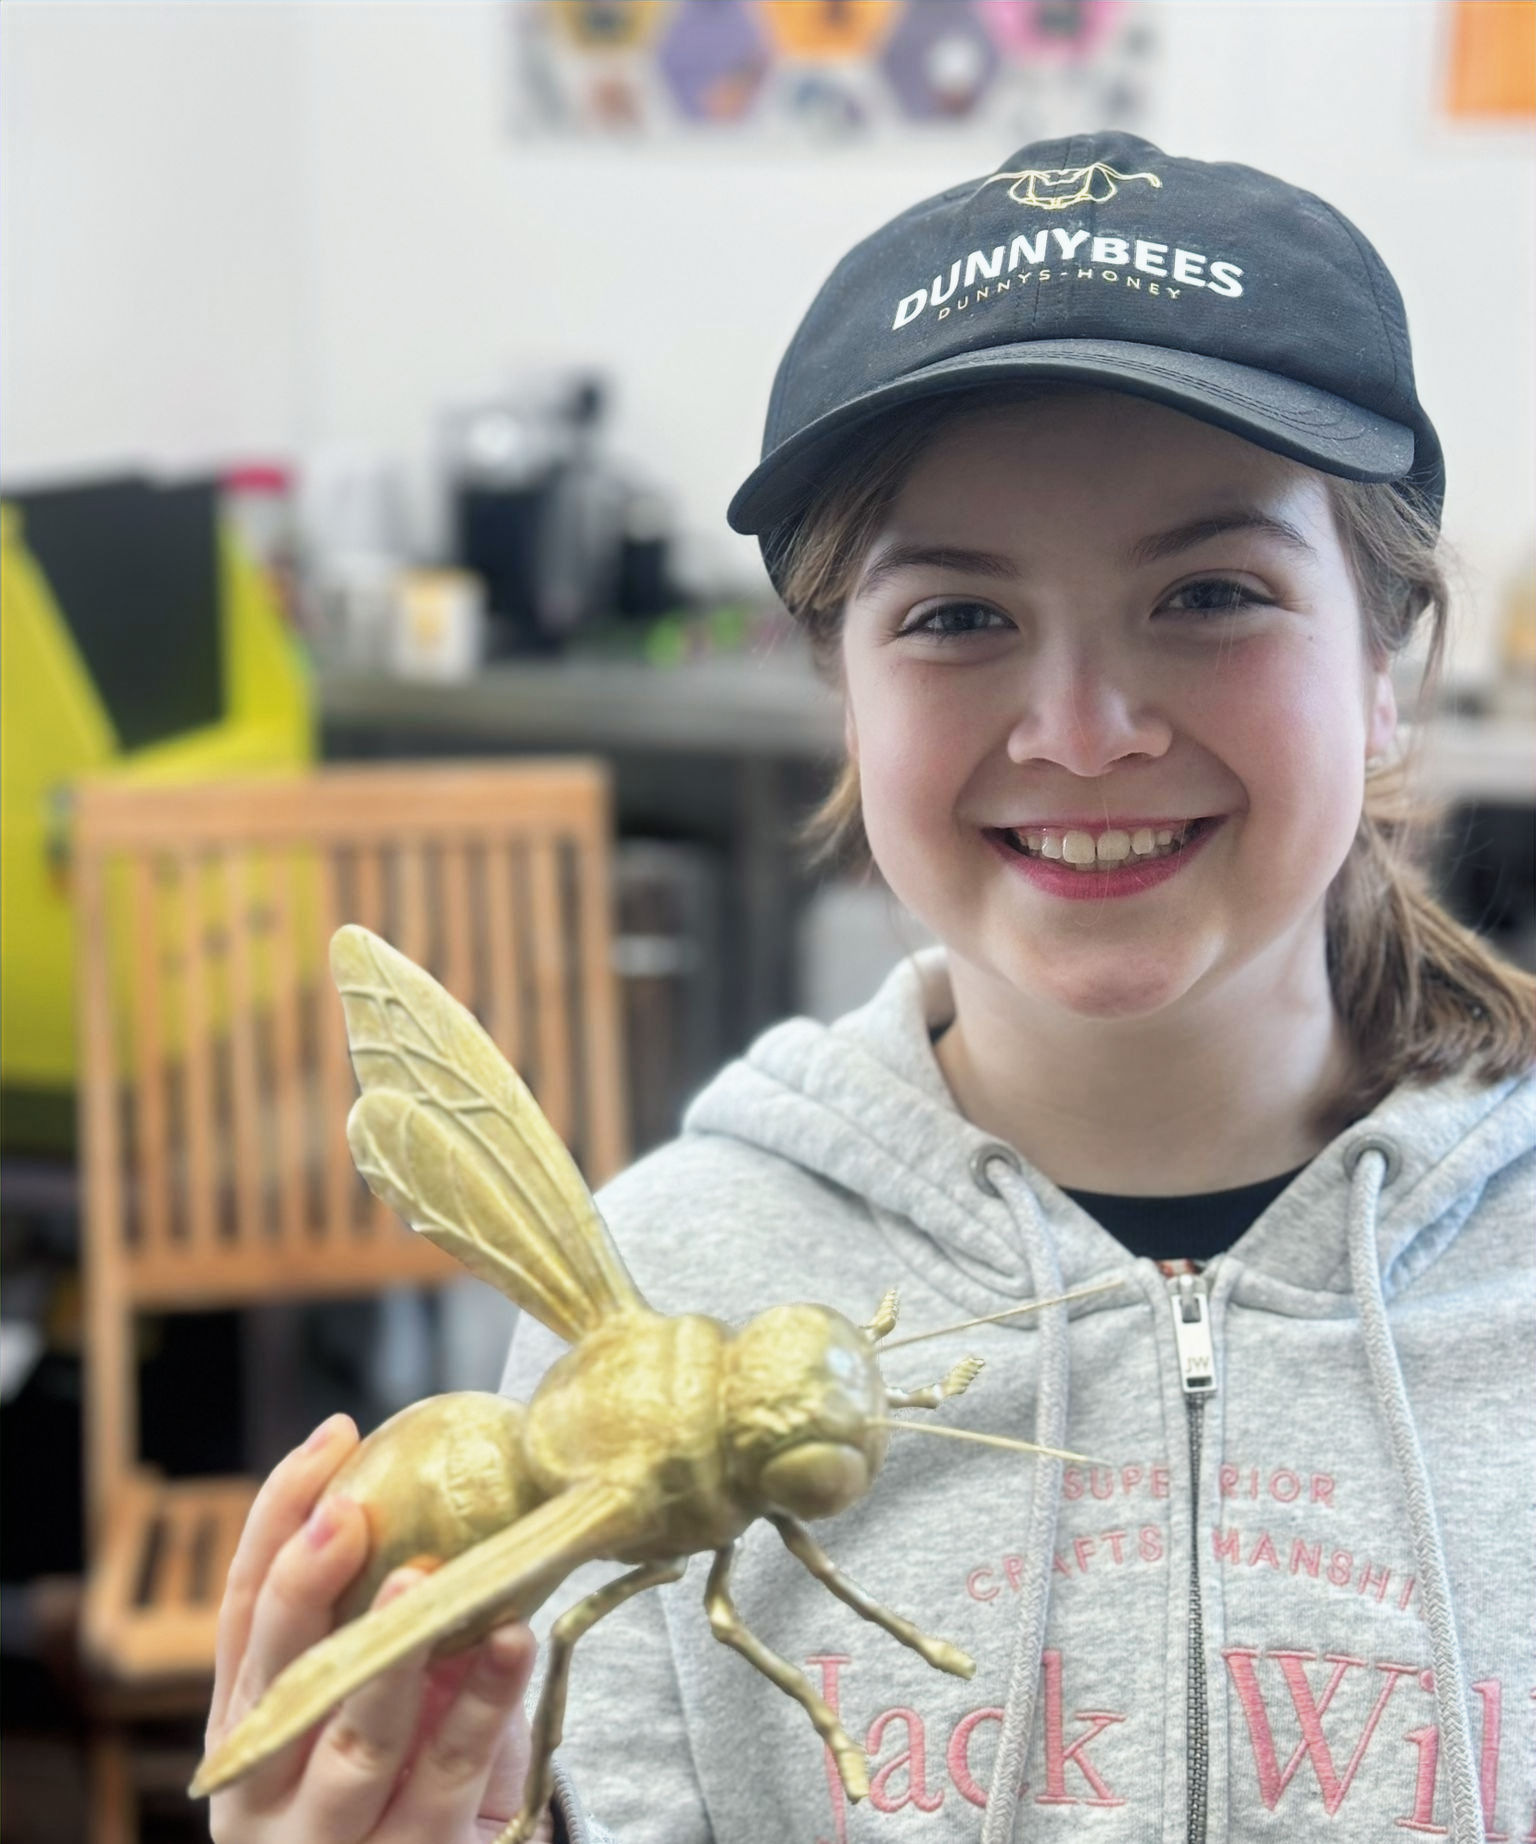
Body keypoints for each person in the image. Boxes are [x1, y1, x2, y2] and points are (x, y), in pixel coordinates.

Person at [203, 132, 1535, 1844]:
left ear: (1387, 661)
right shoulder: (670, 1272)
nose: (1081, 731)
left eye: (1211, 594)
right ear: (845, 691)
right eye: (957, 617)